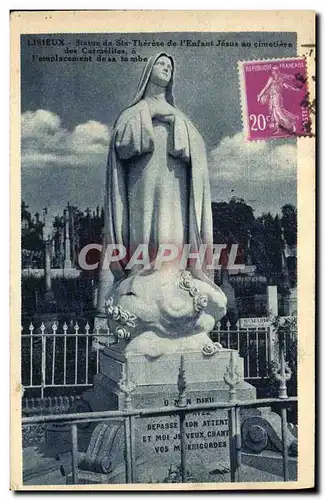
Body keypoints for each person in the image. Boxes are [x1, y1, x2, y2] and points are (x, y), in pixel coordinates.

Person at [257, 66, 299, 134]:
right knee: (275, 113)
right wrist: (260, 95)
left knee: (279, 112)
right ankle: (279, 129)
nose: (273, 72)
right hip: (273, 97)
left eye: (274, 71)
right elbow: (266, 88)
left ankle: (292, 123)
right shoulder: (272, 78)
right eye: (273, 71)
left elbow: (286, 84)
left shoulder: (279, 78)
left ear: (276, 71)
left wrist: (294, 89)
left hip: (277, 97)